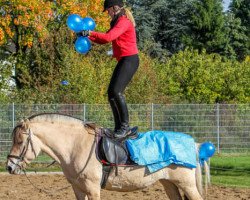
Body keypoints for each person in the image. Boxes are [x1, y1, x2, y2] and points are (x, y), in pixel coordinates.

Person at [81, 0, 139, 139]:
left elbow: (108, 37)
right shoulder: (118, 21)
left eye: (108, 10)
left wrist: (90, 32)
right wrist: (87, 35)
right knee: (111, 93)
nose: (107, 13)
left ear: (114, 8)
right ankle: (119, 127)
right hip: (124, 60)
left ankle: (125, 127)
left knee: (116, 91)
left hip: (130, 59)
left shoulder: (123, 21)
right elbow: (103, 40)